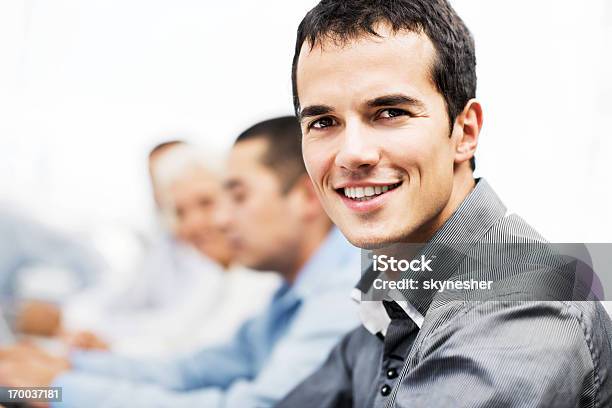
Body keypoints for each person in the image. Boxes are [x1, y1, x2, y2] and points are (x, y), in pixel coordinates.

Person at [277, 1, 612, 407]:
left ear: (465, 132)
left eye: (390, 112)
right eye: (323, 122)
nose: (352, 154)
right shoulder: (392, 293)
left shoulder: (523, 306)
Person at [0, 117, 360, 407]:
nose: (221, 220)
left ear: (307, 198)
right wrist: (70, 369)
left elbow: (259, 405)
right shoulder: (290, 293)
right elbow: (196, 369)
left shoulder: (345, 291)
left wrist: (62, 390)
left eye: (238, 196)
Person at [62, 141, 278, 356]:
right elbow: (176, 337)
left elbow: (200, 362)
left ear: (237, 198)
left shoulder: (263, 279)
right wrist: (105, 346)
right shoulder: (217, 276)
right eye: (180, 213)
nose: (193, 224)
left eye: (206, 203)